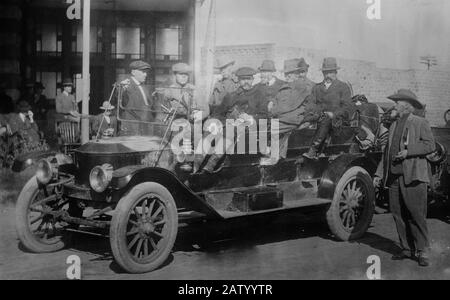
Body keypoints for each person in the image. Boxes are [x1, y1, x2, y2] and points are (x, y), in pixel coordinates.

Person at [374, 89, 435, 267]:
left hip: (413, 175)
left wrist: (409, 152)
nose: (394, 105)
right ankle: (407, 249)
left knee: (416, 214)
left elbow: (430, 145)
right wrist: (379, 174)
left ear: (406, 105)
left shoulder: (420, 122)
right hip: (394, 177)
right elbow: (387, 152)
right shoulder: (393, 125)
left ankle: (423, 250)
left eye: (397, 102)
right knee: (398, 213)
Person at [198, 67, 268, 174]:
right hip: (229, 124)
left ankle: (211, 165)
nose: (246, 82)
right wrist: (218, 123)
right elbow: (218, 113)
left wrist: (250, 118)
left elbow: (265, 116)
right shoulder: (231, 96)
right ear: (238, 81)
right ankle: (197, 165)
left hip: (249, 129)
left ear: (253, 79)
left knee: (230, 131)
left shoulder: (259, 95)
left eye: (249, 79)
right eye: (243, 79)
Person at [264, 59, 313, 164]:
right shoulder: (286, 86)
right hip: (285, 118)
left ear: (296, 73)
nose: (288, 76)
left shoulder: (301, 86)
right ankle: (276, 155)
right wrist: (272, 103)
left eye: (291, 73)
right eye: (286, 73)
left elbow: (288, 106)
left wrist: (272, 110)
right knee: (272, 126)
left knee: (271, 128)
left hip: (295, 118)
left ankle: (272, 154)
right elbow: (277, 99)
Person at [303, 57, 353, 159]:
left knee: (326, 118)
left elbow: (347, 107)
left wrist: (333, 114)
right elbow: (311, 104)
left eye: (331, 72)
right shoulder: (317, 88)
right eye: (326, 73)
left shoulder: (343, 87)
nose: (328, 75)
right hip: (319, 117)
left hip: (337, 120)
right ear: (323, 73)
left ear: (335, 72)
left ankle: (314, 149)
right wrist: (316, 113)